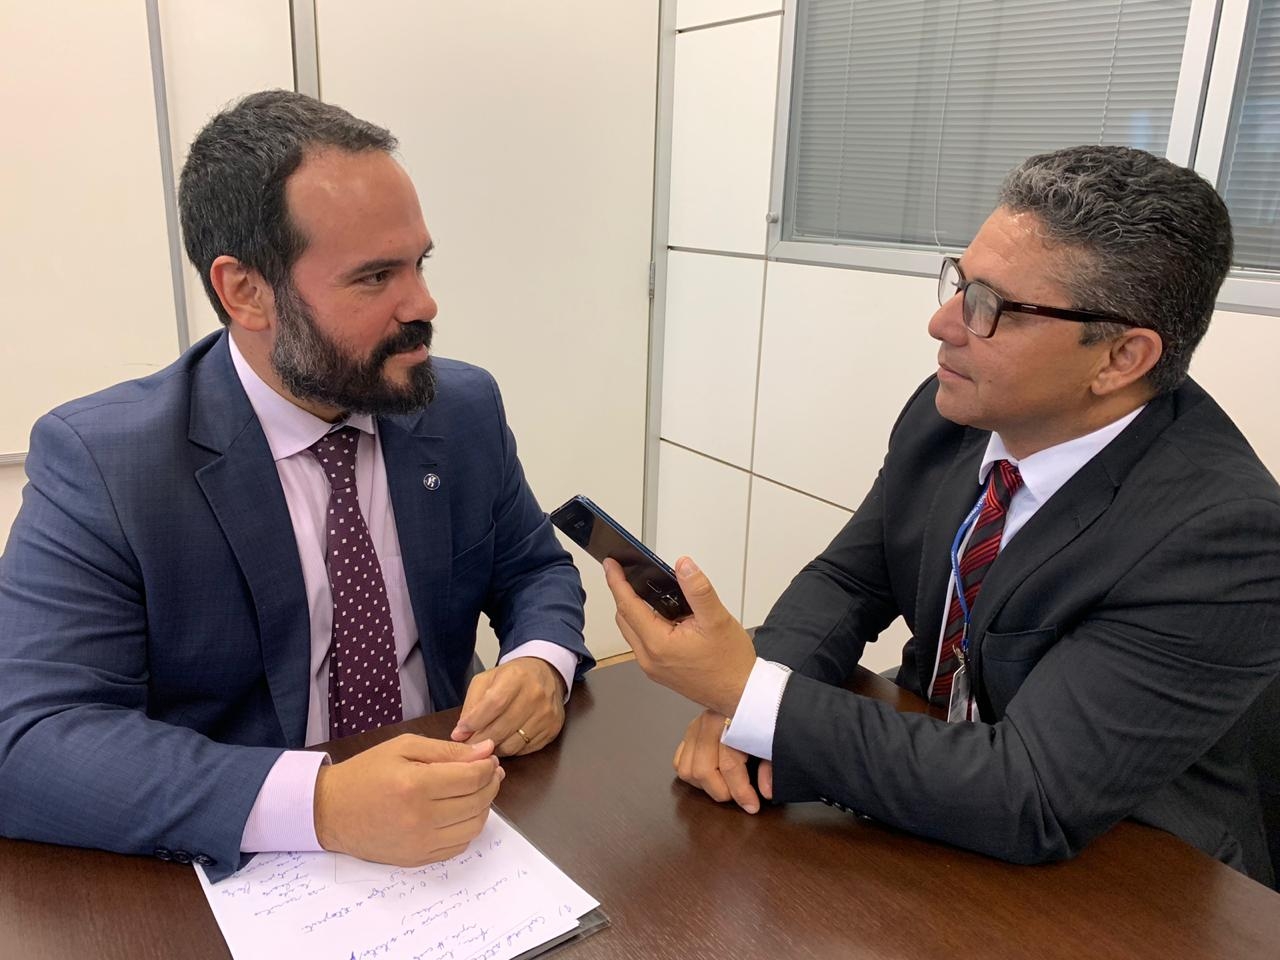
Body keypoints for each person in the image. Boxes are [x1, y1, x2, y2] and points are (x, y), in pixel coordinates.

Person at [607, 144, 1280, 885]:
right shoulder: (954, 415)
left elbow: (1031, 794)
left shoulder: (1223, 534)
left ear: (1121, 359)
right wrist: (749, 710)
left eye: (992, 306)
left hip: (1128, 869)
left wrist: (747, 692)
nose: (942, 323)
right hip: (930, 802)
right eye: (961, 283)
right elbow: (847, 581)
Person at [0, 90, 591, 881]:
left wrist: (541, 662)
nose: (423, 304)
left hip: (463, 829)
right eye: (375, 276)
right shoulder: (106, 463)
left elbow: (533, 569)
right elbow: (29, 740)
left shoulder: (461, 407)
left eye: (419, 263)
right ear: (246, 292)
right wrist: (321, 802)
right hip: (243, 868)